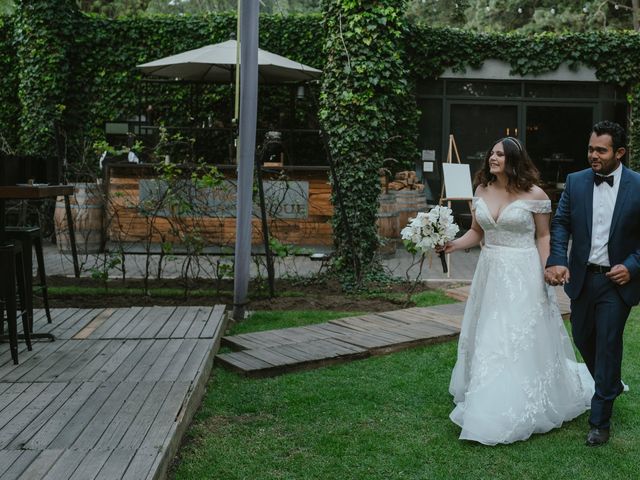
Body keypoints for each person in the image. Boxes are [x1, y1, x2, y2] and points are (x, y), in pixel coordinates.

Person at [438, 136, 593, 445]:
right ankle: (487, 397)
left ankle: (515, 402)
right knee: (489, 334)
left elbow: (543, 235)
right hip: (490, 272)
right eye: (492, 153)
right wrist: (453, 245)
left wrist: (548, 267)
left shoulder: (534, 194)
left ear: (514, 160)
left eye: (500, 154)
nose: (493, 158)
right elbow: (477, 232)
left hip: (523, 273)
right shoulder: (481, 189)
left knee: (516, 335)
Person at [545, 120, 640, 446]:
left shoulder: (638, 185)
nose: (593, 155)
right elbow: (560, 224)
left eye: (601, 150)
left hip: (617, 284)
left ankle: (600, 421)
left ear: (620, 152)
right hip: (583, 279)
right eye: (590, 149)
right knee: (584, 337)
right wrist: (557, 258)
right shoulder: (576, 182)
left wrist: (632, 265)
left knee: (608, 343)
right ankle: (610, 383)